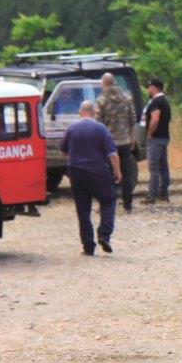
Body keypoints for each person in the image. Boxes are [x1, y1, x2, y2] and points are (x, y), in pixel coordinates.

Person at [60, 101, 122, 256]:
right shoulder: (101, 129)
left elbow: (63, 151)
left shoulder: (71, 128)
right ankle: (104, 235)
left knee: (83, 210)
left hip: (77, 172)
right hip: (98, 171)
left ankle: (88, 247)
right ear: (94, 112)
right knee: (108, 201)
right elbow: (112, 154)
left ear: (80, 112)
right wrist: (117, 171)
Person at [94, 73, 137, 213]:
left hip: (108, 143)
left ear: (104, 83)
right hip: (124, 140)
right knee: (126, 173)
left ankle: (106, 204)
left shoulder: (101, 100)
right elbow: (132, 119)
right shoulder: (127, 98)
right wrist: (132, 137)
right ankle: (128, 204)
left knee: (107, 174)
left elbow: (98, 123)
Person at [143, 78, 171, 205]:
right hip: (164, 137)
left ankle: (152, 195)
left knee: (153, 166)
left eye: (149, 87)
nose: (148, 89)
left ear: (154, 88)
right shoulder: (164, 101)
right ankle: (163, 192)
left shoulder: (156, 101)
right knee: (163, 165)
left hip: (156, 138)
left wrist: (149, 134)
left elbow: (155, 119)